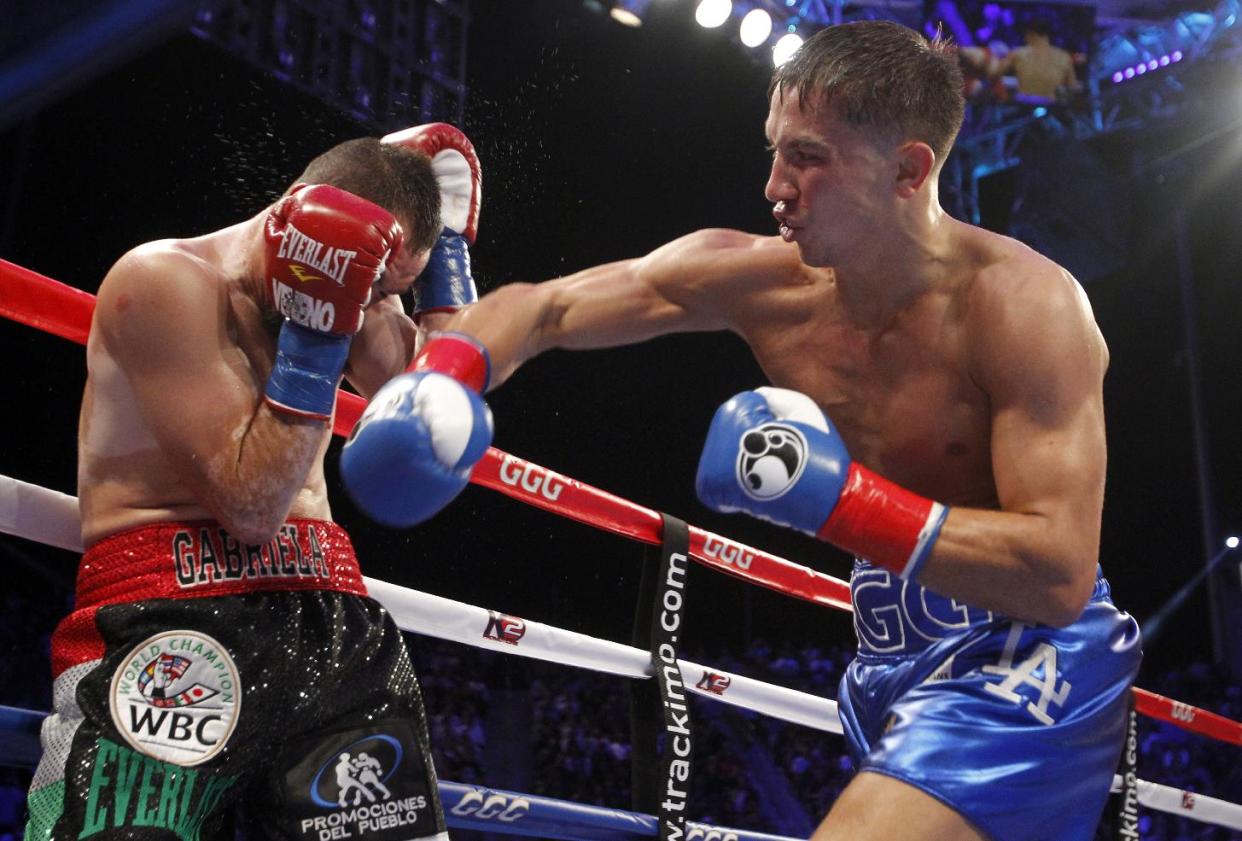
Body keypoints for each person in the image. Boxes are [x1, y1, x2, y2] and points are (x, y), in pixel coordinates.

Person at [346, 21, 1142, 841]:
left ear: (910, 169)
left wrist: (838, 503)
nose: (775, 186)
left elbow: (1058, 573)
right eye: (774, 152)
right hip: (883, 662)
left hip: (1028, 657)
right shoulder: (763, 284)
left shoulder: (1026, 308)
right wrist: (443, 380)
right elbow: (545, 309)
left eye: (808, 157)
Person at [25, 123, 493, 840]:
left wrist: (443, 266)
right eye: (365, 288)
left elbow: (434, 413)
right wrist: (316, 328)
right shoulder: (163, 281)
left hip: (331, 622)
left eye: (384, 294)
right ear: (296, 224)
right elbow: (251, 506)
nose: (366, 310)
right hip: (172, 624)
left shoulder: (362, 292)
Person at [997, 18, 1079, 102]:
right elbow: (1072, 86)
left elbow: (996, 72)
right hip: (1051, 105)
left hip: (1024, 104)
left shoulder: (1018, 53)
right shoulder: (1064, 57)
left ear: (1030, 34)